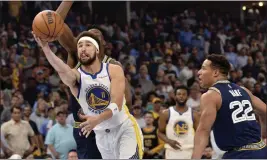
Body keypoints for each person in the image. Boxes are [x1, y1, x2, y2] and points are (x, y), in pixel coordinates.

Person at [33, 31, 143, 159]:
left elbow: (117, 103)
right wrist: (46, 49)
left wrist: (97, 119)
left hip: (123, 129)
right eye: (80, 46)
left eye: (88, 45)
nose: (83, 49)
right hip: (102, 136)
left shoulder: (113, 68)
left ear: (97, 49)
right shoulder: (76, 76)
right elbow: (61, 69)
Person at [54, 2, 132, 159]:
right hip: (85, 128)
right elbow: (54, 22)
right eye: (87, 35)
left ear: (102, 44)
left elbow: (127, 101)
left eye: (96, 35)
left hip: (110, 126)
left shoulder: (113, 66)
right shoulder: (76, 55)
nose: (91, 35)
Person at [192, 54, 267, 159]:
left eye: (203, 68)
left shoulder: (211, 95)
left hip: (239, 155)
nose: (199, 72)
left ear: (215, 72)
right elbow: (264, 112)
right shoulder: (243, 90)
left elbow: (203, 131)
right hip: (261, 151)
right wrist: (264, 135)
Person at [158, 86, 200, 159]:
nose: (181, 96)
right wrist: (169, 141)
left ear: (188, 96)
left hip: (189, 151)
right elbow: (160, 132)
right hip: (171, 152)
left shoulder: (194, 114)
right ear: (175, 96)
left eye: (184, 94)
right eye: (179, 94)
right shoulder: (166, 113)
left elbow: (199, 134)